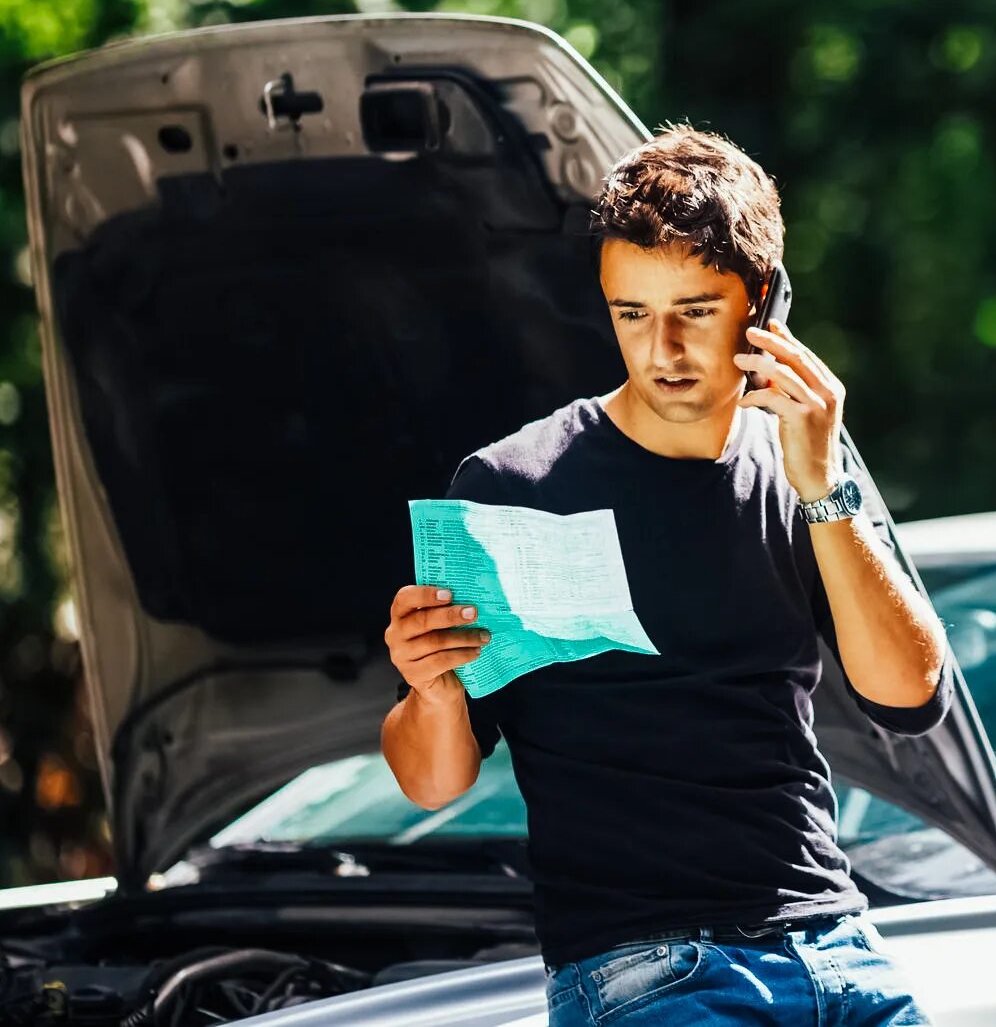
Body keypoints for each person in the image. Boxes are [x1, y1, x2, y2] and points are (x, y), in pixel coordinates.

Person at [379, 124, 946, 1025]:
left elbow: (911, 696)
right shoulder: (515, 483)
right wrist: (431, 691)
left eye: (695, 310)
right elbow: (433, 781)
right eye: (631, 313)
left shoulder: (804, 462)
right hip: (646, 971)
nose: (662, 351)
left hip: (837, 946)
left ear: (762, 303)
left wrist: (822, 485)